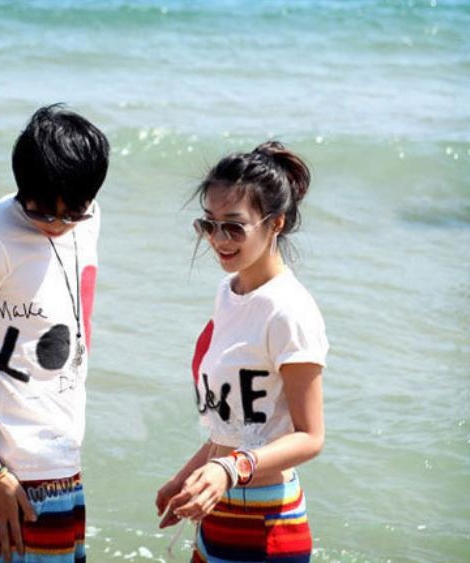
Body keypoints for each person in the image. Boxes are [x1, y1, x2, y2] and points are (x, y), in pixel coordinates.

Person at [0, 104, 109, 563]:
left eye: (72, 213)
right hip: (11, 474)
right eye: (42, 212)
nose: (57, 224)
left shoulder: (87, 218)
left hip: (65, 460)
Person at [156, 141, 328, 562]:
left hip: (268, 525)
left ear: (276, 223)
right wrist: (189, 476)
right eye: (209, 224)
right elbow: (240, 427)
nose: (218, 239)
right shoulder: (228, 292)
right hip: (218, 512)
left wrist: (229, 469)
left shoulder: (290, 311)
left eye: (234, 227)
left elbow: (310, 438)